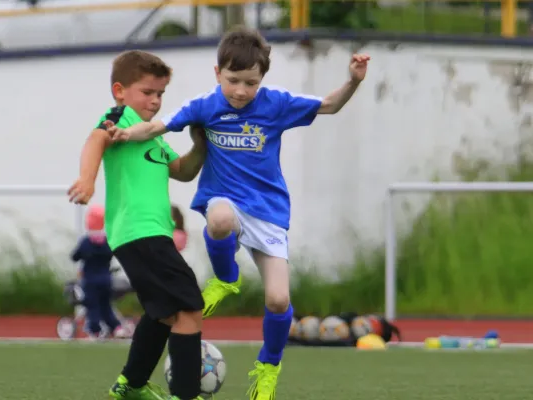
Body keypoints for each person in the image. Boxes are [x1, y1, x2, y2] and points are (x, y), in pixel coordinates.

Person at [106, 27, 371, 400]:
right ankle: (226, 278)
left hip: (267, 211)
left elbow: (329, 105)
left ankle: (268, 367)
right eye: (233, 81)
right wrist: (125, 134)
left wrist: (353, 81)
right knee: (219, 218)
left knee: (279, 300)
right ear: (218, 74)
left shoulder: (276, 104)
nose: (241, 91)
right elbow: (157, 126)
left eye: (250, 82)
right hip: (223, 199)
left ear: (262, 78)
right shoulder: (205, 105)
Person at [67, 50, 207, 400]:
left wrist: (201, 142)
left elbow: (184, 171)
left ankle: (130, 386)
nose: (156, 101)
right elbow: (95, 140)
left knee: (163, 312)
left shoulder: (154, 137)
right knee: (190, 307)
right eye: (148, 92)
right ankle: (186, 395)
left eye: (160, 94)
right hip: (139, 231)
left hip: (148, 234)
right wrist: (87, 180)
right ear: (120, 91)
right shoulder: (119, 118)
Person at [71, 204, 128, 340]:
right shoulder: (108, 241)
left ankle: (95, 331)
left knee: (93, 307)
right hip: (105, 279)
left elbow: (75, 256)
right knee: (106, 306)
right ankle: (117, 328)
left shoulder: (85, 242)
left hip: (90, 280)